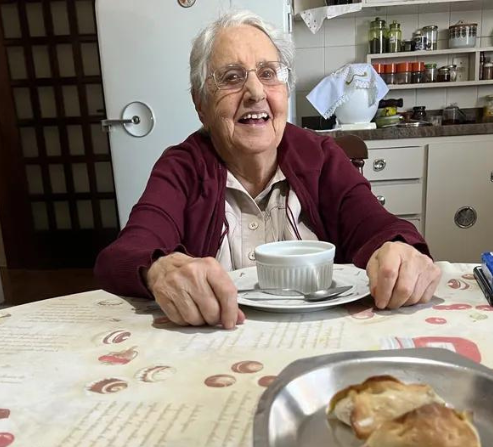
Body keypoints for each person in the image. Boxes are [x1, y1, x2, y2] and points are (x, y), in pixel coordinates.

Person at [94, 10, 440, 329]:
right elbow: (126, 253)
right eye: (231, 77)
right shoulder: (182, 167)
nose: (256, 92)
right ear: (201, 105)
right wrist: (160, 270)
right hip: (217, 344)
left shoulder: (320, 156)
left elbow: (380, 226)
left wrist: (399, 248)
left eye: (268, 74)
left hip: (324, 337)